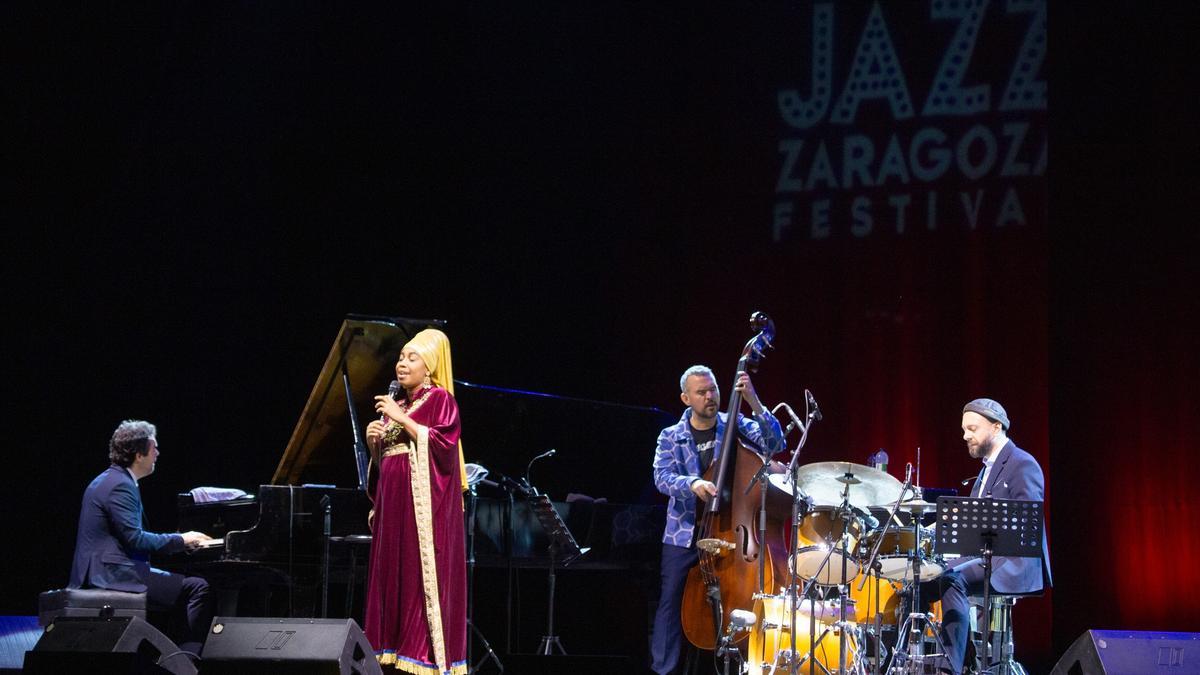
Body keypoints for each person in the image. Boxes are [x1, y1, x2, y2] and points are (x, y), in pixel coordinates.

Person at [650, 365, 786, 675]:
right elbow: (661, 477)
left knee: (737, 598)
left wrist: (753, 399)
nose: (710, 396)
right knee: (670, 604)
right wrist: (692, 484)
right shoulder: (670, 436)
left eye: (713, 389)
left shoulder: (733, 422)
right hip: (685, 533)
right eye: (701, 392)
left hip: (729, 529)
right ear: (686, 398)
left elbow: (775, 444)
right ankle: (663, 670)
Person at [920, 398, 1052, 675]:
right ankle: (924, 659)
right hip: (984, 557)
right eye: (964, 429)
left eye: (972, 428)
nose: (965, 435)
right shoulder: (985, 470)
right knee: (923, 578)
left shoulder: (1022, 463)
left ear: (995, 427)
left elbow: (1028, 522)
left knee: (951, 580)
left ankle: (949, 669)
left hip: (1014, 560)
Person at [364, 328, 467, 675]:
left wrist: (401, 418)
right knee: (390, 579)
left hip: (419, 512)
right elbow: (391, 462)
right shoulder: (401, 405)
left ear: (430, 366)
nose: (402, 364)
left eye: (412, 358)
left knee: (414, 579)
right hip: (393, 508)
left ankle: (420, 656)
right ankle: (388, 652)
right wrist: (373, 443)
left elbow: (442, 448)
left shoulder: (440, 400)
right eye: (400, 357)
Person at [69, 420, 213, 655]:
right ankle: (186, 662)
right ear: (138, 454)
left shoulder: (110, 479)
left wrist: (177, 541)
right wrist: (182, 540)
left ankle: (170, 657)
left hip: (106, 570)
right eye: (154, 447)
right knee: (198, 588)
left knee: (181, 587)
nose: (157, 453)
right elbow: (135, 539)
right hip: (111, 575)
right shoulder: (120, 485)